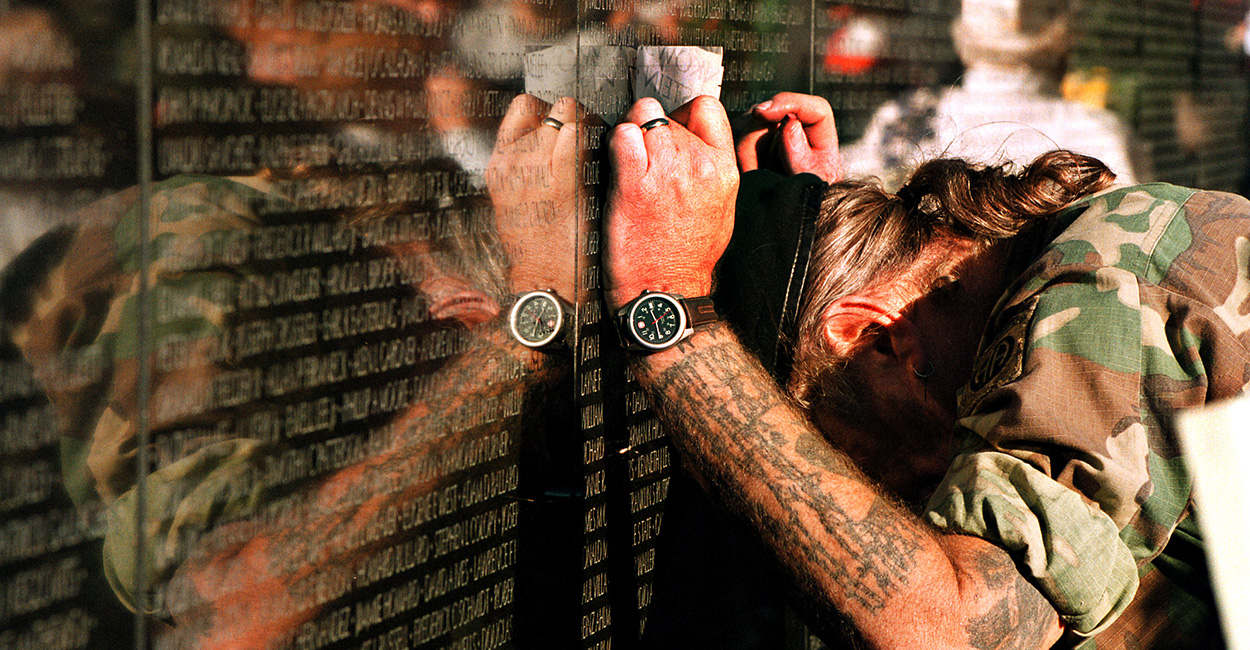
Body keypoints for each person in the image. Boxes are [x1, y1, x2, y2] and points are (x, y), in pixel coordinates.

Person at [605, 91, 1244, 649]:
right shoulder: (1095, 259)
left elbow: (958, 635)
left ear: (875, 339)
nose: (905, 501)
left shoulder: (1110, 289)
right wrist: (795, 230)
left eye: (858, 467)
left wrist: (668, 312)